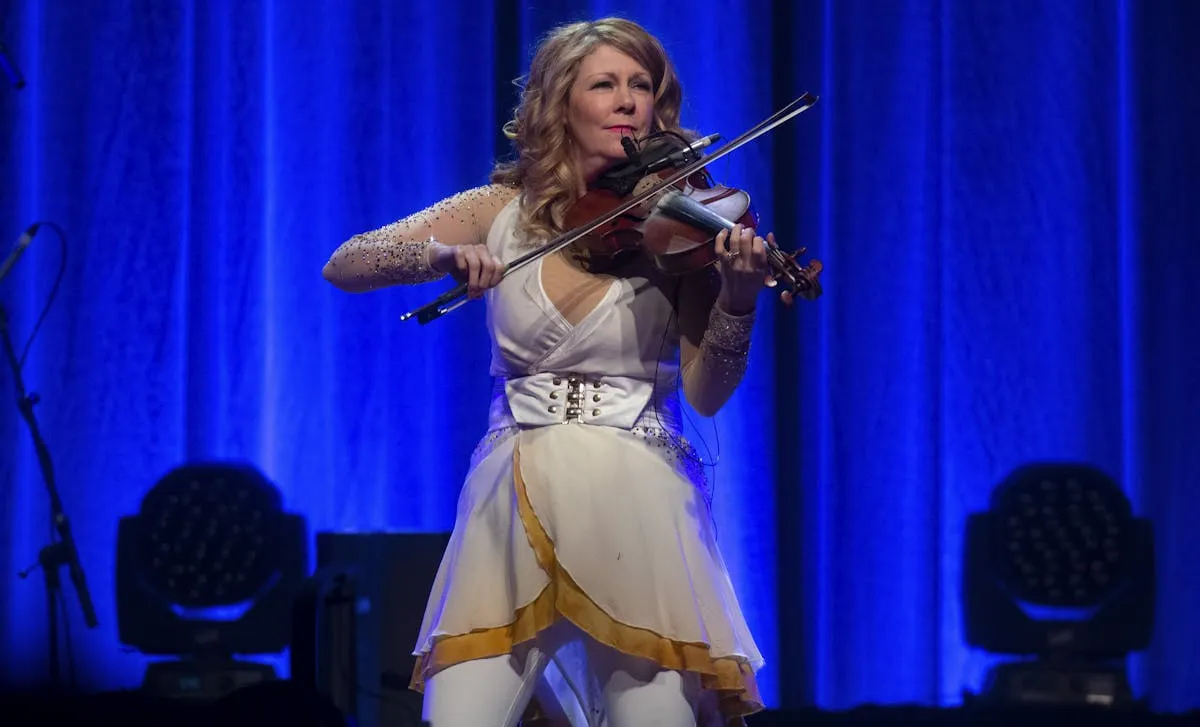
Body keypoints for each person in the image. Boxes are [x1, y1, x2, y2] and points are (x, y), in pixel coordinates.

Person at [323, 17, 784, 727]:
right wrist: (442, 259)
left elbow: (707, 391)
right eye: (606, 84)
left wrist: (741, 299)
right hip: (512, 498)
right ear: (559, 104)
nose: (629, 100)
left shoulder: (684, 227)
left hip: (641, 503)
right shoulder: (495, 211)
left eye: (643, 86)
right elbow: (347, 261)